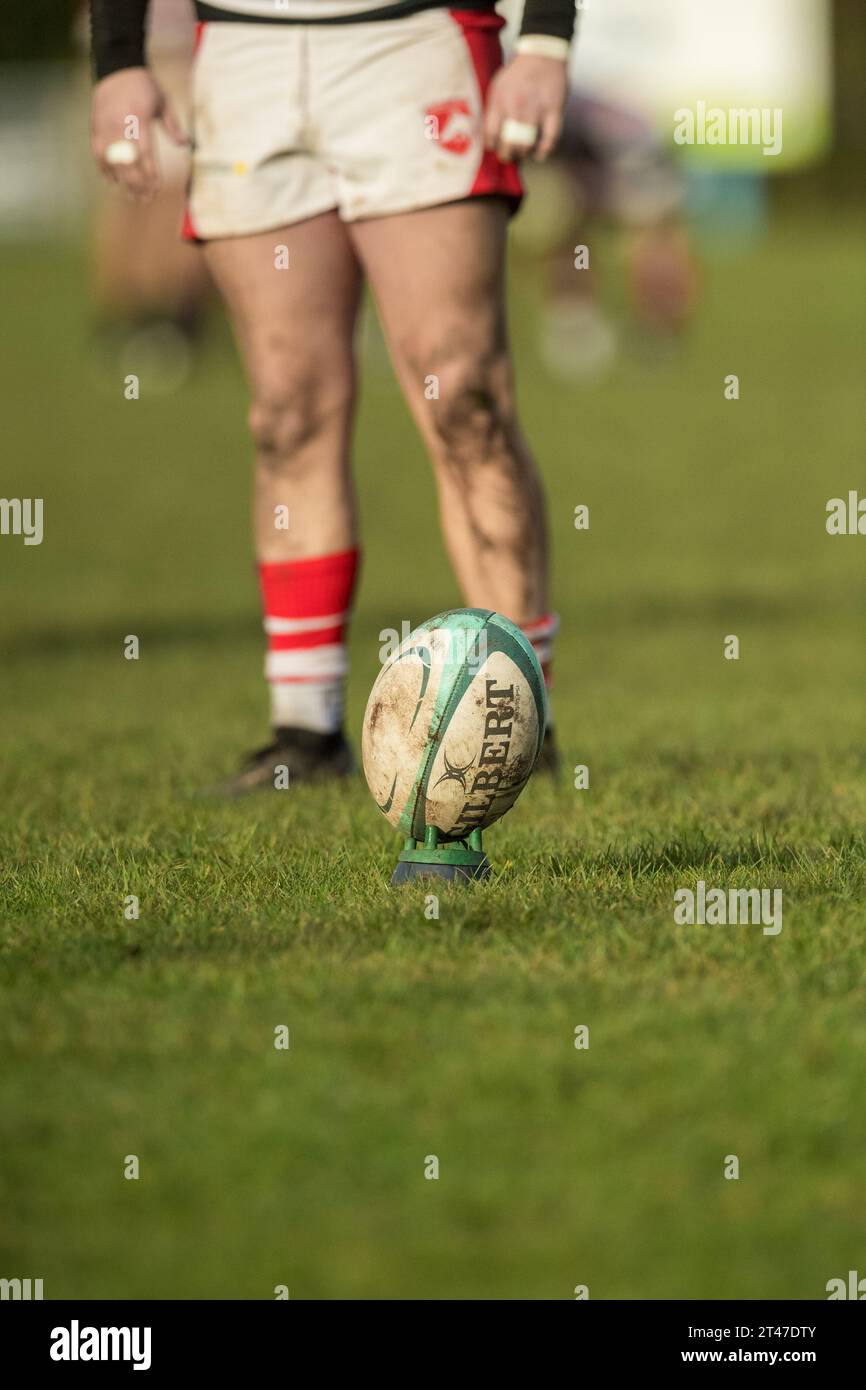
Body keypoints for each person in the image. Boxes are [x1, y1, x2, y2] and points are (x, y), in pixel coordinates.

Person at [89, 0, 575, 791]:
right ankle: (305, 732)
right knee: (287, 411)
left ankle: (521, 719)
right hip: (245, 58)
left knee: (465, 399)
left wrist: (548, 39)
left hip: (412, 41)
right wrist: (118, 57)